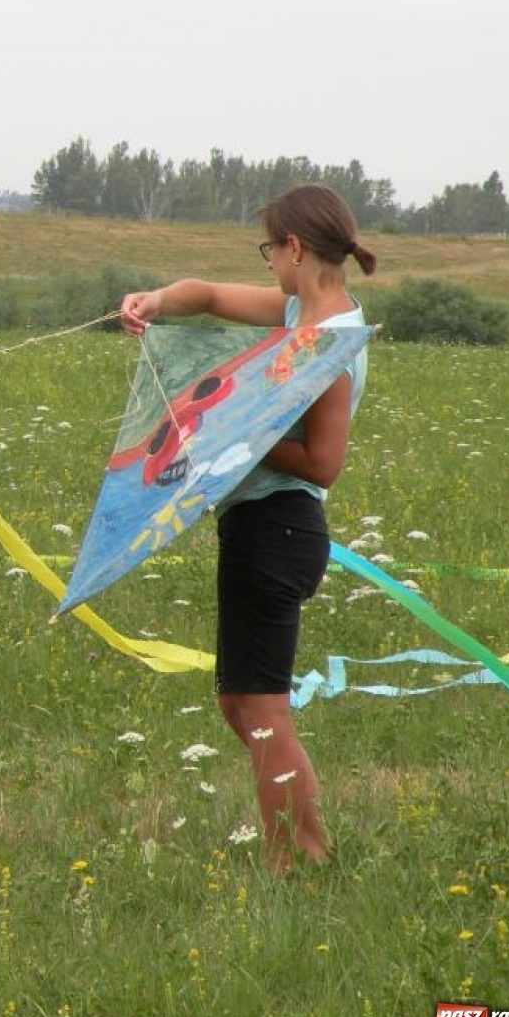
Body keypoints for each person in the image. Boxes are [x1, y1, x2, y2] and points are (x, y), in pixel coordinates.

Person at [119, 184, 377, 874]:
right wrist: (155, 301)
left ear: (294, 248)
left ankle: (297, 856)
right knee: (239, 704)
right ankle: (297, 845)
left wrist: (237, 434)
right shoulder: (296, 310)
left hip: (280, 530)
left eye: (269, 249)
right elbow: (203, 294)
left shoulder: (331, 343)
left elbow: (323, 465)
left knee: (263, 712)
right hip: (256, 528)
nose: (266, 264)